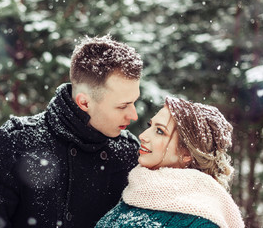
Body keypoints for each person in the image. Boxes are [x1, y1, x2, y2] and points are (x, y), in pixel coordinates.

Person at [0, 34, 143, 228]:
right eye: (123, 106)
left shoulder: (127, 151)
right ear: (84, 102)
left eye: (134, 102)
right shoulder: (19, 139)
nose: (134, 115)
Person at [95, 96, 245, 228]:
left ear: (186, 153)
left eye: (160, 131)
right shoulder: (135, 193)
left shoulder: (202, 220)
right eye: (150, 126)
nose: (143, 136)